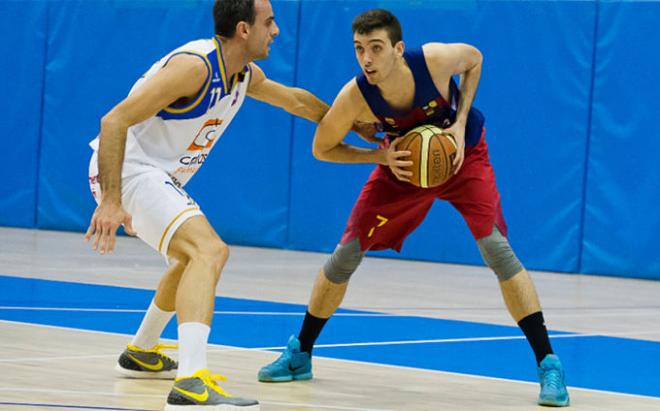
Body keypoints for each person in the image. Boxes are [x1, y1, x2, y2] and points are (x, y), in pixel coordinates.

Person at [257, 9, 570, 407]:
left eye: (375, 48)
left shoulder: (434, 61)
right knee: (343, 258)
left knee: (497, 249)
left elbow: (474, 58)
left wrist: (457, 125)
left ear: (398, 49)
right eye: (358, 50)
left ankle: (548, 363)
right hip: (401, 168)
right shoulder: (356, 96)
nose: (366, 59)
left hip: (462, 158)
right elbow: (322, 147)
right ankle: (300, 352)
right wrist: (377, 158)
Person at [83, 1, 367, 409]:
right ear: (243, 30)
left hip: (152, 175)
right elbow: (114, 121)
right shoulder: (195, 67)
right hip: (129, 170)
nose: (277, 31)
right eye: (269, 22)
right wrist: (111, 199)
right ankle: (191, 380)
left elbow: (295, 101)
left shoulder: (243, 74)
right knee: (209, 251)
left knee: (187, 261)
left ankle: (142, 352)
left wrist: (350, 121)